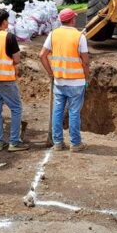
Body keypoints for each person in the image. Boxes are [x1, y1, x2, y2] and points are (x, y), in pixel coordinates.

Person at [39, 8, 90, 152]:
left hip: (59, 81)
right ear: (73, 20)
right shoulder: (80, 36)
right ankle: (75, 144)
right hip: (76, 82)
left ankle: (58, 143)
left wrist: (51, 73)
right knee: (74, 112)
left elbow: (42, 55)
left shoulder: (53, 34)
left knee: (57, 111)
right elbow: (85, 61)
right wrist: (86, 78)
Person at [0, 9, 28, 152]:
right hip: (6, 79)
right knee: (16, 109)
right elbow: (16, 59)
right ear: (4, 22)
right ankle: (14, 142)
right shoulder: (9, 37)